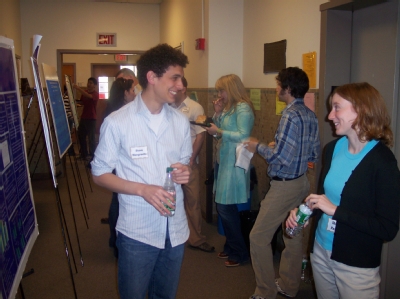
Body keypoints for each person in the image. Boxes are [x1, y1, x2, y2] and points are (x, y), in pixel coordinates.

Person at [91, 43, 192, 299]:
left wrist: (184, 172)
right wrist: (142, 189)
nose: (180, 85)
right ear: (152, 77)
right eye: (175, 77)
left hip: (175, 230)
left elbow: (184, 162)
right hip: (138, 231)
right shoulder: (118, 122)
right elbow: (99, 173)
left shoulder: (180, 122)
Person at [286, 82, 400, 299]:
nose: (330, 116)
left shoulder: (382, 162)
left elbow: (387, 228)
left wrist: (335, 211)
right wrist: (305, 212)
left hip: (355, 265)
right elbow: (324, 199)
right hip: (320, 252)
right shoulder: (333, 149)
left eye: (337, 107)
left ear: (362, 109)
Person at [244, 67, 320, 299]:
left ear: (287, 88)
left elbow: (281, 159)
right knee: (293, 235)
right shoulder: (309, 115)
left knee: (258, 237)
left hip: (285, 186)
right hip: (302, 184)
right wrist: (278, 147)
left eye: (279, 85)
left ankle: (265, 291)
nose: (277, 88)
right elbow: (313, 154)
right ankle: (288, 285)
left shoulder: (289, 115)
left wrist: (258, 146)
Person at [205, 74, 255, 267]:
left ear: (232, 89)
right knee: (227, 207)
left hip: (235, 164)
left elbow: (243, 135)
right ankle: (232, 247)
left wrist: (220, 131)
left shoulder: (243, 108)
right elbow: (220, 136)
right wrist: (217, 113)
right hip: (224, 161)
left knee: (225, 207)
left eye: (221, 90)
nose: (219, 94)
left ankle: (240, 252)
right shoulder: (229, 108)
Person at [171, 77, 215, 253]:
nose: (173, 90)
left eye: (176, 87)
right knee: (170, 199)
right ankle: (172, 235)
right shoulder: (167, 107)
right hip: (170, 163)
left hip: (188, 163)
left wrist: (191, 158)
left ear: (184, 88)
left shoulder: (195, 107)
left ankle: (196, 239)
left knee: (193, 201)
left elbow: (200, 135)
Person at [102, 77, 137, 257]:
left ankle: (113, 239)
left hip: (117, 162)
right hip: (119, 164)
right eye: (132, 90)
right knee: (118, 201)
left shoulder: (113, 109)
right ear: (125, 94)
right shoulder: (118, 116)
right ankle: (117, 241)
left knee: (116, 200)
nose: (135, 93)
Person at [74, 77, 99, 161]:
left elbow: (89, 96)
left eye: (91, 83)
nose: (89, 84)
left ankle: (92, 155)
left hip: (91, 118)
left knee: (91, 138)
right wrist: (74, 103)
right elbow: (81, 102)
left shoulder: (95, 94)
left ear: (95, 85)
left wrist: (78, 88)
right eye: (88, 82)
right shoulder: (84, 93)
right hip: (83, 117)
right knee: (81, 136)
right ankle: (84, 154)